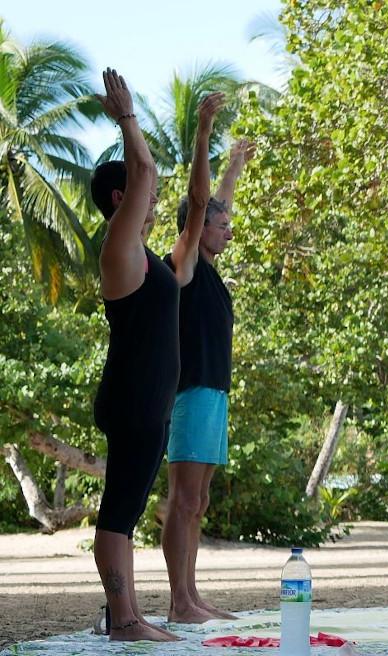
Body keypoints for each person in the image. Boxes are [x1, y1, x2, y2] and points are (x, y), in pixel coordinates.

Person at [86, 70, 215, 642]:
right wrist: (127, 119)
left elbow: (196, 207)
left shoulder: (152, 261)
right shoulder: (119, 243)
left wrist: (208, 143)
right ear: (122, 200)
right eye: (146, 197)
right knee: (119, 510)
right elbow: (143, 171)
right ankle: (123, 620)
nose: (155, 199)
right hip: (134, 397)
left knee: (130, 509)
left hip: (151, 400)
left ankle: (128, 615)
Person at [162, 134, 253, 624]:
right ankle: (179, 604)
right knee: (184, 499)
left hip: (214, 395)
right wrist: (205, 132)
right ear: (198, 230)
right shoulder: (187, 263)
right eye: (221, 227)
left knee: (200, 501)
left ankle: (192, 597)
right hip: (191, 393)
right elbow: (202, 208)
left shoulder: (211, 270)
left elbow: (217, 205)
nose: (228, 232)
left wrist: (234, 170)